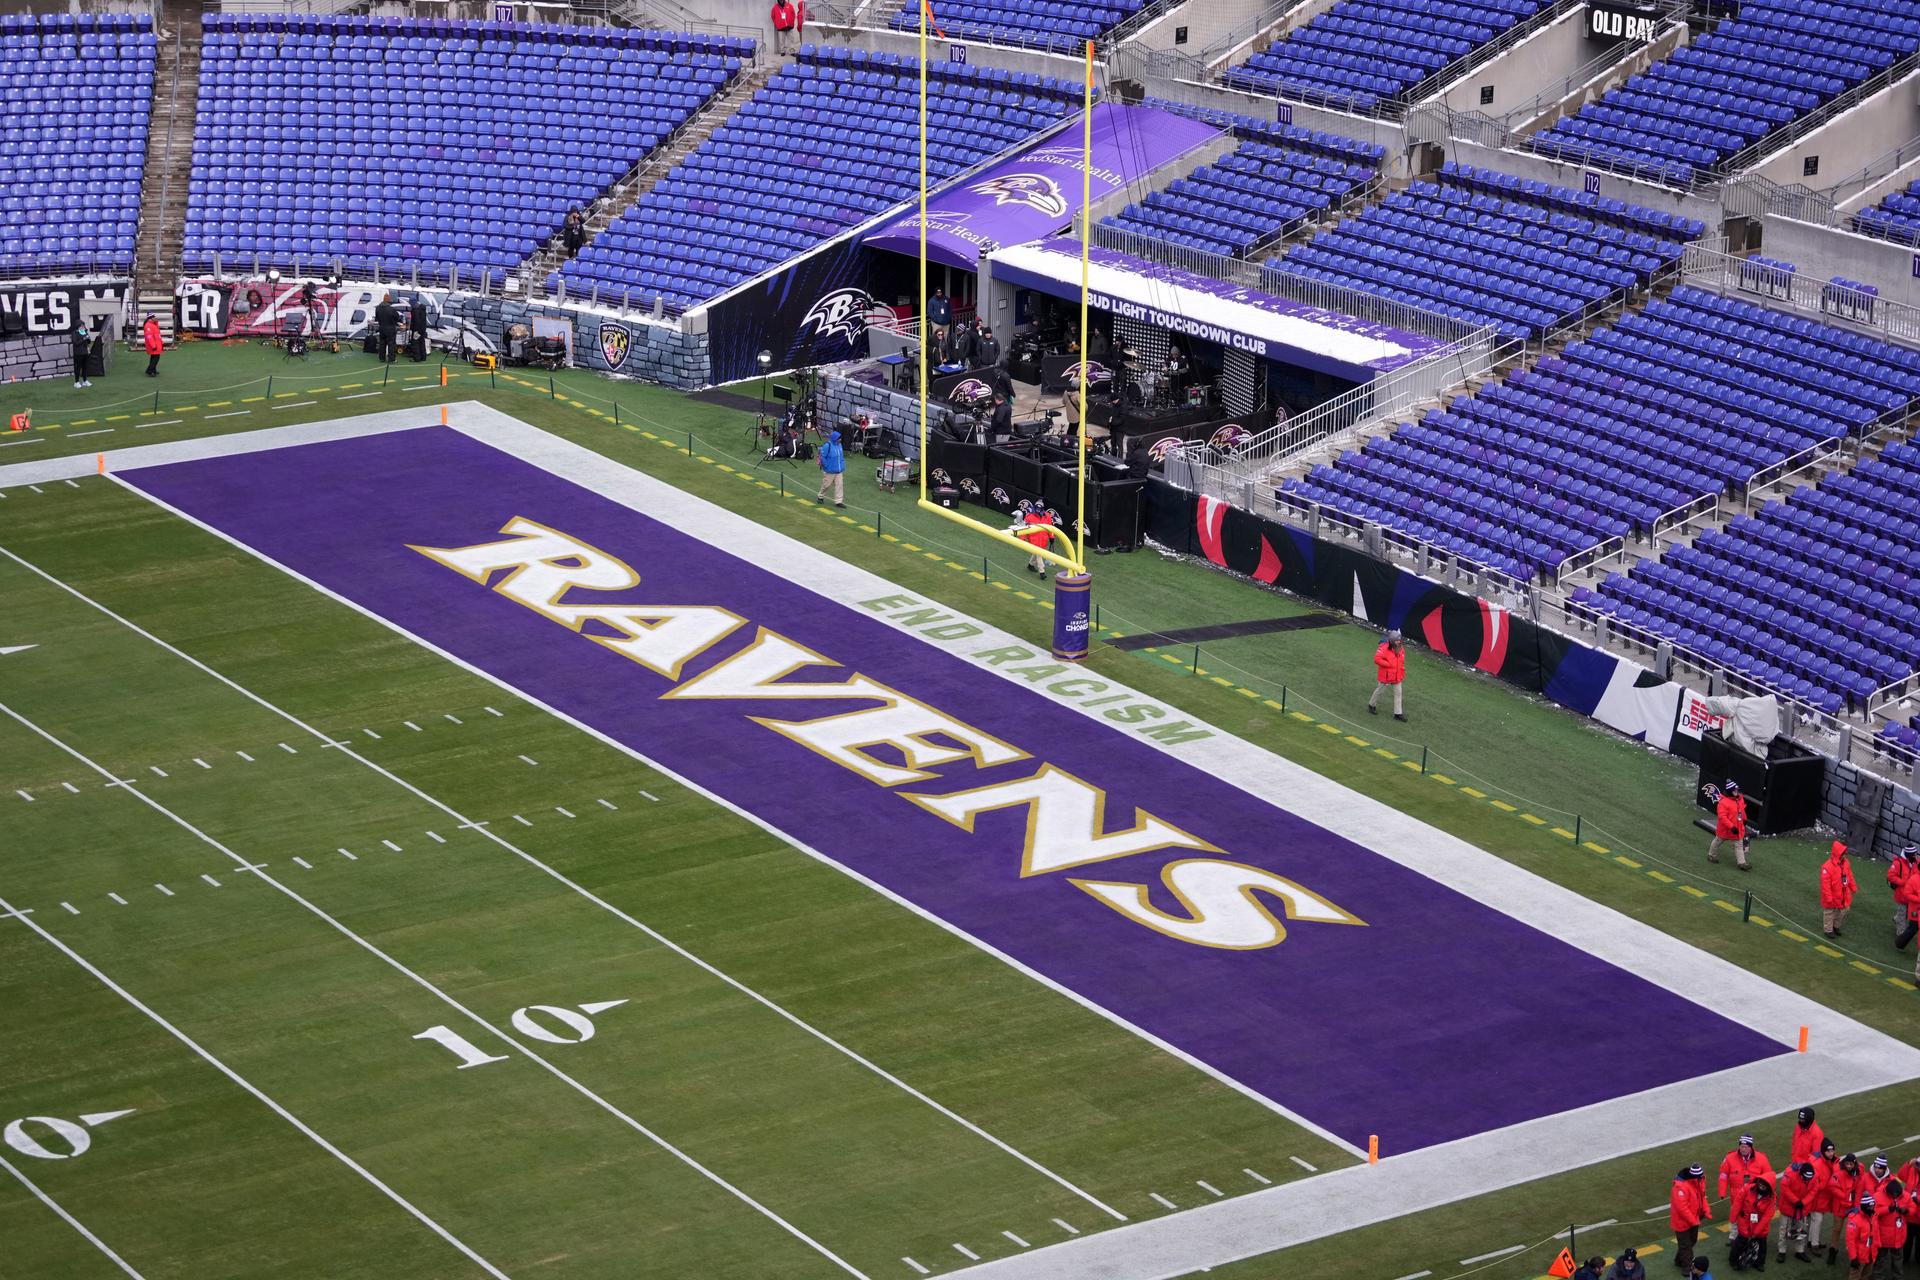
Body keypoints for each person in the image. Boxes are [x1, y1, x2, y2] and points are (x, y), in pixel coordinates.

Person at [1731, 1175, 1774, 1271]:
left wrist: (1756, 1232)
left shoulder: (1771, 1199)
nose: (1760, 1188)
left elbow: (1766, 1217)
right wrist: (1733, 1217)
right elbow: (1738, 1202)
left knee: (1762, 1245)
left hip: (1761, 1226)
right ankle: (1733, 1260)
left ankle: (1759, 1263)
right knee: (1740, 1242)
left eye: (1763, 1187)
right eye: (1760, 1185)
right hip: (1745, 1222)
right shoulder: (1747, 1189)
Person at [1675, 1163, 1711, 1273]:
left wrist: (1706, 1210)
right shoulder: (1680, 1187)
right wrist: (1693, 1220)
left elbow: (1702, 1197)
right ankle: (1686, 1267)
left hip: (1694, 1219)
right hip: (1682, 1221)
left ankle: (1679, 1260)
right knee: (1686, 1245)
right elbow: (1682, 1208)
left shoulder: (1699, 1182)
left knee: (1691, 1241)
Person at [1709, 779, 1751, 870]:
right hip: (1726, 829)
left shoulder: (1740, 798)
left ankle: (1742, 863)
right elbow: (1722, 817)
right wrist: (1731, 827)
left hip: (1737, 828)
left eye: (1737, 790)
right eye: (1734, 790)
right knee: (1718, 841)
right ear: (1730, 791)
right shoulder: (1723, 802)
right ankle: (1711, 855)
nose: (1736, 791)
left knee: (1739, 845)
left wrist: (1744, 819)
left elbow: (1742, 810)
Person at [1781, 1162, 1818, 1264]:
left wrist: (1803, 1202)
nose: (1807, 1180)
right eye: (1805, 1178)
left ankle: (1800, 1251)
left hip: (1802, 1207)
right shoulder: (1790, 1173)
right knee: (1784, 1230)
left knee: (1802, 1230)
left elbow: (1814, 1191)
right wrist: (1796, 1201)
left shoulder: (1814, 1177)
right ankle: (1782, 1251)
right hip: (1788, 1206)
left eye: (1809, 1178)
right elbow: (1784, 1188)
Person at [1722, 1135, 1776, 1203]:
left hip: (1755, 1197)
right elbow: (1723, 1175)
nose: (1743, 1149)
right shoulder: (1729, 1158)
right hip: (1736, 1198)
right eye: (1741, 1146)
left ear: (1750, 1147)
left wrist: (1770, 1192)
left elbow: (1769, 1176)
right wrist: (1722, 1192)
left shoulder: (1761, 1158)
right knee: (1735, 1212)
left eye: (1745, 1147)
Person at [1369, 629, 1407, 721]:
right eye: (1397, 640)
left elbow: (1401, 660)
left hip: (1397, 675)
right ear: (1392, 641)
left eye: (1400, 640)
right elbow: (1377, 659)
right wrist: (1388, 664)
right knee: (1380, 691)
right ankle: (1372, 705)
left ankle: (1398, 713)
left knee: (1398, 693)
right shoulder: (1383, 648)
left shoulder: (1401, 648)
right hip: (1386, 675)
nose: (1399, 642)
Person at [1823, 840, 1858, 939]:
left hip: (1842, 894)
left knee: (1844, 910)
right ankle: (1828, 930)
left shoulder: (1846, 863)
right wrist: (1829, 898)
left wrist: (1853, 887)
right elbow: (1825, 885)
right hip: (1833, 895)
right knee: (1829, 913)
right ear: (1839, 854)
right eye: (1844, 853)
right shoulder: (1827, 867)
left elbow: (1849, 875)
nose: (1846, 855)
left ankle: (1835, 926)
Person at [1876, 1180, 1908, 1280]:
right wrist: (1887, 1209)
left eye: (1897, 1195)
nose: (1895, 1196)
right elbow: (1873, 1211)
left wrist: (1906, 1210)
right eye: (1893, 1195)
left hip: (1899, 1235)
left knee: (1898, 1259)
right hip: (1883, 1236)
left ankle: (1897, 1277)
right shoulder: (1877, 1196)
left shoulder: (1905, 1195)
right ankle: (1879, 1277)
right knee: (1881, 1259)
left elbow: (1913, 1208)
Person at [1011, 501, 1054, 575]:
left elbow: (1050, 528)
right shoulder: (1029, 516)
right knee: (1039, 554)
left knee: (1037, 553)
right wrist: (1022, 538)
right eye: (1036, 507)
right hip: (1034, 540)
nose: (1038, 509)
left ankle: (1030, 565)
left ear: (1042, 509)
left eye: (1039, 508)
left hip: (1044, 540)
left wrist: (1051, 537)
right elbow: (1024, 528)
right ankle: (1042, 571)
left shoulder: (1047, 517)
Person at [1851, 1196, 1882, 1280]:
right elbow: (1850, 1241)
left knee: (1866, 1276)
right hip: (1860, 1255)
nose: (1872, 1208)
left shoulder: (1874, 1216)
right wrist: (1853, 1257)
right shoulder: (1855, 1220)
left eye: (1873, 1206)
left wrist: (1878, 1246)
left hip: (1871, 1253)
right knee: (1855, 1276)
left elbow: (1876, 1232)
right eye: (1870, 1207)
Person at [814, 427, 845, 506]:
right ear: (835, 438)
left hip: (838, 470)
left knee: (839, 485)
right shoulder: (827, 445)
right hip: (829, 470)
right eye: (839, 438)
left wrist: (842, 464)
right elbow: (822, 457)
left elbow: (841, 456)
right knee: (827, 485)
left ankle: (838, 501)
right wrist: (827, 466)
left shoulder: (839, 445)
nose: (840, 440)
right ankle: (820, 497)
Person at [374, 293, 400, 364]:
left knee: (382, 343)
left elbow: (377, 318)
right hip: (390, 329)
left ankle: (382, 358)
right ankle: (391, 359)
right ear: (388, 301)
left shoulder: (377, 308)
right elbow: (397, 317)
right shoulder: (391, 309)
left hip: (382, 328)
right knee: (391, 344)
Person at [71, 320, 94, 389]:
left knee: (85, 367)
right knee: (78, 368)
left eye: (83, 326)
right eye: (81, 326)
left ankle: (85, 381)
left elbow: (89, 342)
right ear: (78, 326)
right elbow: (76, 343)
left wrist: (88, 338)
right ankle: (77, 382)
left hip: (85, 352)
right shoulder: (75, 333)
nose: (83, 327)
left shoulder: (85, 332)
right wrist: (84, 339)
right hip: (78, 353)